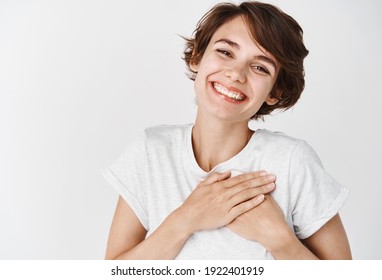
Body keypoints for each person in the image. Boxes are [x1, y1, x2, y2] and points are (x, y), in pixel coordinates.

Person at [103, 1, 352, 260]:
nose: (236, 73)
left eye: (260, 67)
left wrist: (279, 239)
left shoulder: (291, 162)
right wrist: (186, 219)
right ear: (197, 57)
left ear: (275, 92)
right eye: (225, 52)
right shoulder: (150, 152)